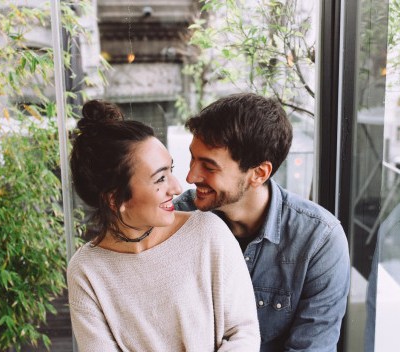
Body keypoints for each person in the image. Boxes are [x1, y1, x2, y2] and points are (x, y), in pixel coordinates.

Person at [66, 99, 260, 351]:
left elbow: (243, 334)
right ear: (115, 199)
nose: (177, 187)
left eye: (171, 170)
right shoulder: (86, 271)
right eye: (160, 178)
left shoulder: (208, 233)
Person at [173, 93, 351, 352]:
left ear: (259, 174)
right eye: (192, 158)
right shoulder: (177, 220)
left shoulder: (319, 241)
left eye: (209, 167)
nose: (190, 176)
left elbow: (312, 347)